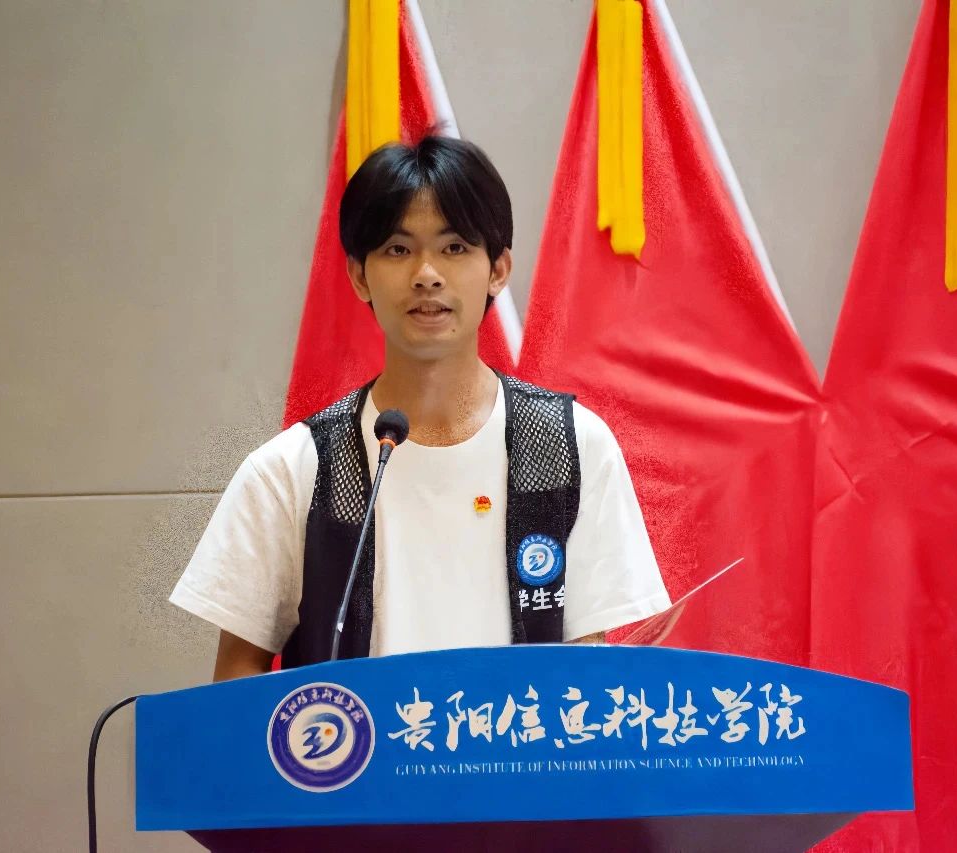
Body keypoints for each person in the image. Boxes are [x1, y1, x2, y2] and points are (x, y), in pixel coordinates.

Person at [170, 135, 670, 681]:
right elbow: (238, 675)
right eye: (397, 249)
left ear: (498, 269)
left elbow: (590, 668)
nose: (426, 274)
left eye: (454, 247)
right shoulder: (291, 471)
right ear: (359, 275)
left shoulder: (572, 447)